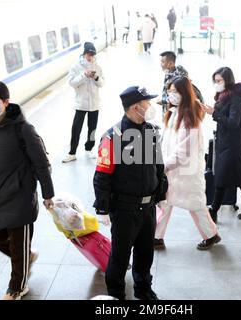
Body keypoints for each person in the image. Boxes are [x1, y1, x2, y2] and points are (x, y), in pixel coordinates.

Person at [0, 80, 54, 300]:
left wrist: (48, 194)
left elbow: (41, 163)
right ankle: (26, 258)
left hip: (20, 198)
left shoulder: (23, 129)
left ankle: (17, 288)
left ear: (6, 102)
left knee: (17, 247)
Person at [93, 86, 168, 300]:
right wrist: (103, 208)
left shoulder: (151, 131)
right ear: (136, 107)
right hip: (124, 208)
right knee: (120, 255)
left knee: (145, 253)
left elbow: (158, 165)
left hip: (148, 207)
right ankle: (116, 294)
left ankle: (143, 289)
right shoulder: (113, 136)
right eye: (147, 103)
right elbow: (102, 175)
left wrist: (160, 193)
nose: (150, 107)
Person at [154, 76, 220, 250]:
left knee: (195, 204)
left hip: (186, 172)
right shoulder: (174, 113)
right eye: (169, 91)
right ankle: (156, 237)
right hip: (172, 169)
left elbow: (184, 152)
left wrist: (163, 166)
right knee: (165, 202)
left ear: (184, 93)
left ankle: (211, 235)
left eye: (175, 91)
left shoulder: (190, 118)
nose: (171, 95)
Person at [201, 67, 241, 222]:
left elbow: (233, 123)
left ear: (228, 80)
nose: (216, 84)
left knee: (221, 177)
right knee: (239, 177)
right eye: (215, 81)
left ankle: (214, 209)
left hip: (233, 146)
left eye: (219, 81)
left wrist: (214, 113)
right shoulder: (224, 96)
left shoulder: (236, 99)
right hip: (225, 143)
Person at [63, 42, 105, 163]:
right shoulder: (76, 66)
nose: (90, 56)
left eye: (92, 54)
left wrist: (96, 78)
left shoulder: (98, 67)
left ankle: (89, 149)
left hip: (95, 104)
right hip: (81, 104)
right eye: (89, 53)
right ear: (84, 53)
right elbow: (71, 82)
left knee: (92, 129)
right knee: (76, 128)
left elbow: (102, 83)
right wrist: (84, 75)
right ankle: (72, 153)